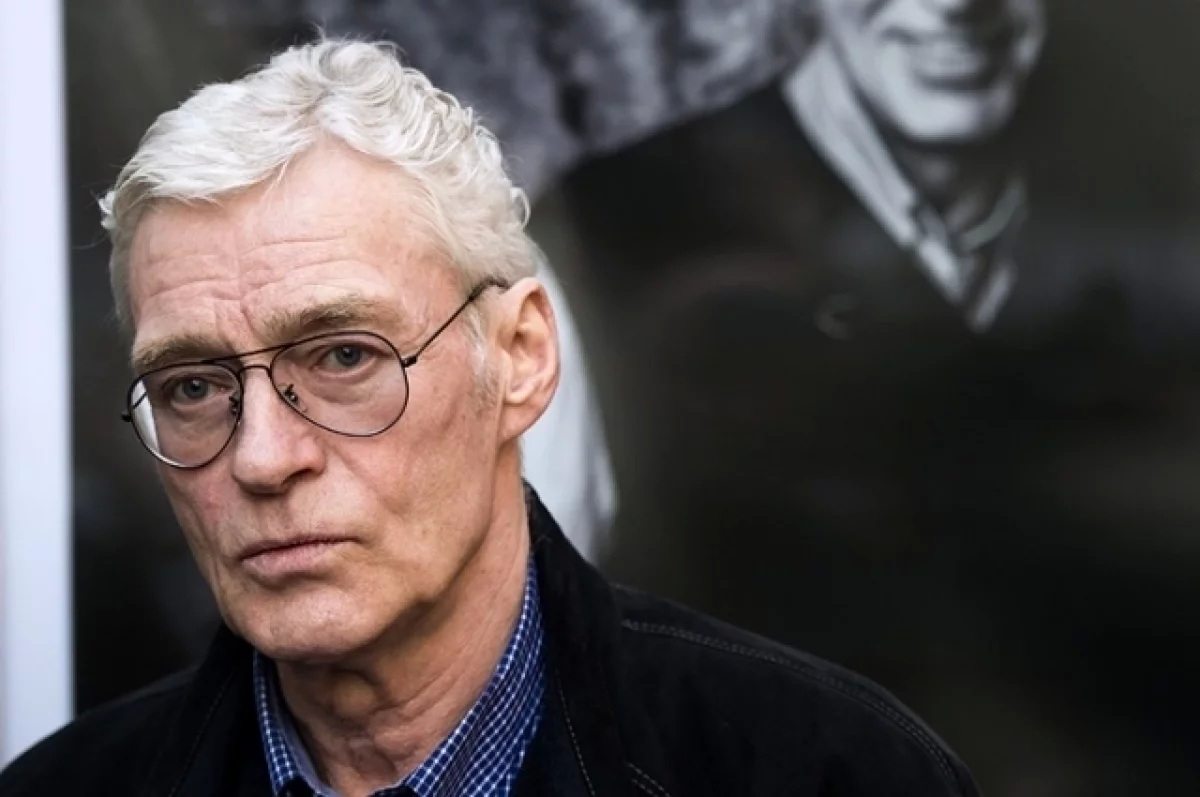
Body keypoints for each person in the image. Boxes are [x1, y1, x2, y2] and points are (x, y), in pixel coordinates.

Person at [0, 38, 977, 796]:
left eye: (344, 356)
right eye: (192, 387)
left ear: (520, 357)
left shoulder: (826, 771)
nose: (261, 456)